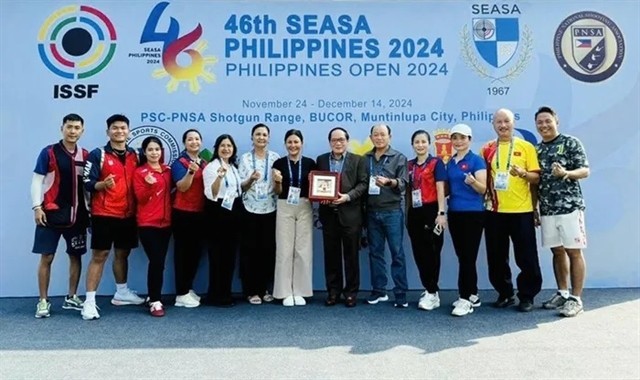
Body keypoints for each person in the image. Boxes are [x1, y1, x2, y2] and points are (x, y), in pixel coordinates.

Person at [82, 114, 144, 320]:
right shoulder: (97, 154)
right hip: (104, 214)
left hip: (128, 215)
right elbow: (87, 183)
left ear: (129, 131)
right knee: (99, 257)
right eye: (115, 128)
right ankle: (89, 302)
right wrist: (102, 185)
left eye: (123, 128)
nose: (119, 131)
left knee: (122, 254)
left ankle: (122, 292)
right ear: (108, 132)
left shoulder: (136, 154)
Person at [481, 108, 543, 312]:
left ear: (513, 122)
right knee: (496, 257)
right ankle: (505, 293)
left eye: (506, 121)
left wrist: (524, 174)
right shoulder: (487, 148)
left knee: (526, 257)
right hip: (494, 211)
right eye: (498, 122)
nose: (502, 125)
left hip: (521, 211)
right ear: (493, 125)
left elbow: (537, 178)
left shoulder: (526, 147)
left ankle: (527, 296)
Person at [31, 113, 89, 318]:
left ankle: (71, 297)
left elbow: (87, 188)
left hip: (77, 216)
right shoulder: (49, 152)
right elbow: (37, 180)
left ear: (82, 130)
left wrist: (89, 213)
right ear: (62, 128)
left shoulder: (86, 155)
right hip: (50, 214)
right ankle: (43, 301)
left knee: (76, 256)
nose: (72, 131)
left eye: (77, 127)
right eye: (69, 127)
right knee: (47, 257)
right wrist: (37, 206)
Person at [534, 106, 590, 317]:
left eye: (547, 121)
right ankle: (563, 293)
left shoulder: (570, 142)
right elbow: (536, 182)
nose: (544, 125)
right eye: (540, 122)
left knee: (574, 251)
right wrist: (535, 209)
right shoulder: (537, 150)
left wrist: (566, 173)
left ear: (556, 120)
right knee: (557, 251)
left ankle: (576, 299)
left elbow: (585, 170)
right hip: (548, 209)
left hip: (570, 208)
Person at [316, 127, 368, 307]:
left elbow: (363, 184)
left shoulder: (358, 160)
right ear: (329, 142)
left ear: (347, 141)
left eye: (341, 140)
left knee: (351, 257)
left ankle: (351, 293)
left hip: (351, 214)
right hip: (329, 215)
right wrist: (320, 197)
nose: (338, 143)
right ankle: (333, 292)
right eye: (334, 140)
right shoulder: (321, 159)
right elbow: (318, 183)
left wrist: (348, 196)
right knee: (331, 256)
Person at [364, 124, 409, 308]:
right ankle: (379, 290)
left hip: (392, 212)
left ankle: (400, 293)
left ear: (390, 136)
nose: (379, 138)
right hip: (371, 211)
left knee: (397, 253)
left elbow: (404, 183)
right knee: (375, 253)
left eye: (383, 134)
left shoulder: (399, 157)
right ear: (371, 137)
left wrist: (389, 182)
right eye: (376, 135)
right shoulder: (365, 158)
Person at [445, 124, 487, 317]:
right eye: (455, 138)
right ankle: (473, 294)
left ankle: (464, 299)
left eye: (463, 138)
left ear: (469, 140)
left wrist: (473, 182)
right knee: (464, 257)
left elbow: (483, 189)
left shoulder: (476, 161)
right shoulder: (450, 163)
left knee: (468, 257)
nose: (459, 141)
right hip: (455, 213)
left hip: (473, 214)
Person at [272, 129, 317, 306]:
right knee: (284, 250)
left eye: (296, 142)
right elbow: (277, 192)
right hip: (284, 205)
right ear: (285, 144)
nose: (293, 145)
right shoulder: (278, 163)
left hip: (305, 204)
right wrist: (277, 181)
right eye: (289, 142)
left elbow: (317, 188)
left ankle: (301, 291)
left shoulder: (310, 163)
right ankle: (283, 292)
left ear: (302, 143)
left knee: (303, 250)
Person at [238, 123, 280, 305]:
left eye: (264, 134)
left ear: (269, 138)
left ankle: (264, 289)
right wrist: (250, 179)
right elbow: (241, 187)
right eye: (257, 134)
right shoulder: (245, 158)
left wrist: (278, 182)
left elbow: (279, 189)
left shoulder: (276, 158)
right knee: (249, 251)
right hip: (249, 210)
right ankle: (251, 290)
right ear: (252, 138)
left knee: (268, 251)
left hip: (270, 209)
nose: (261, 137)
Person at [406, 129, 447, 311]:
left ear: (429, 144)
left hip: (432, 211)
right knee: (419, 253)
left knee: (432, 252)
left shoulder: (436, 163)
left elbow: (440, 189)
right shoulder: (409, 165)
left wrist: (441, 213)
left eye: (423, 141)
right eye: (417, 142)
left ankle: (433, 292)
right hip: (414, 212)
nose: (420, 145)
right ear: (412, 145)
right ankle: (428, 288)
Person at [133, 136, 172, 317]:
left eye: (157, 149)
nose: (154, 153)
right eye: (150, 150)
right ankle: (155, 301)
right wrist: (149, 186)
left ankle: (152, 295)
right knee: (156, 261)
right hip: (147, 223)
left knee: (160, 262)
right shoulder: (139, 172)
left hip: (166, 223)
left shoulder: (167, 171)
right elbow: (140, 199)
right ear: (144, 152)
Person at [202, 134, 243, 307]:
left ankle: (225, 292)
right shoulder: (211, 167)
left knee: (229, 255)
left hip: (233, 212)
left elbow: (237, 189)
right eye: (222, 145)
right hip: (217, 214)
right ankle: (216, 295)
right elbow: (211, 193)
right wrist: (219, 177)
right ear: (217, 148)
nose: (226, 149)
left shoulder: (233, 167)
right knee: (218, 256)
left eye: (229, 146)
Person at [171, 129, 207, 308]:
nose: (194, 142)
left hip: (200, 214)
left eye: (197, 139)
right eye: (190, 139)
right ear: (184, 143)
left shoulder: (205, 162)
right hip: (183, 214)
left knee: (195, 254)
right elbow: (182, 187)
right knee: (182, 254)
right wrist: (191, 173)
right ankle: (181, 293)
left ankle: (188, 287)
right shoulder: (180, 163)